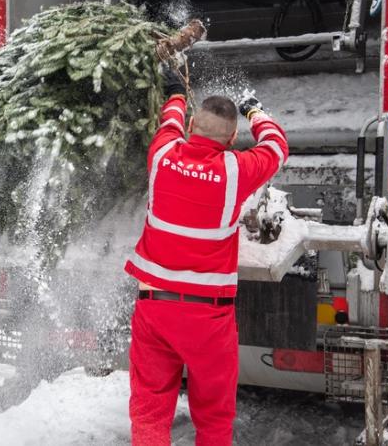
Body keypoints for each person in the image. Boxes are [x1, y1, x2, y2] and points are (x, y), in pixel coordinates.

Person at [124, 68, 289, 446]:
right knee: (214, 419)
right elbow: (278, 146)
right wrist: (255, 111)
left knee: (149, 410)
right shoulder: (236, 170)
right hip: (207, 320)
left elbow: (169, 119)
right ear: (232, 139)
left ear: (192, 126)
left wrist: (176, 92)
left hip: (154, 310)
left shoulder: (162, 154)